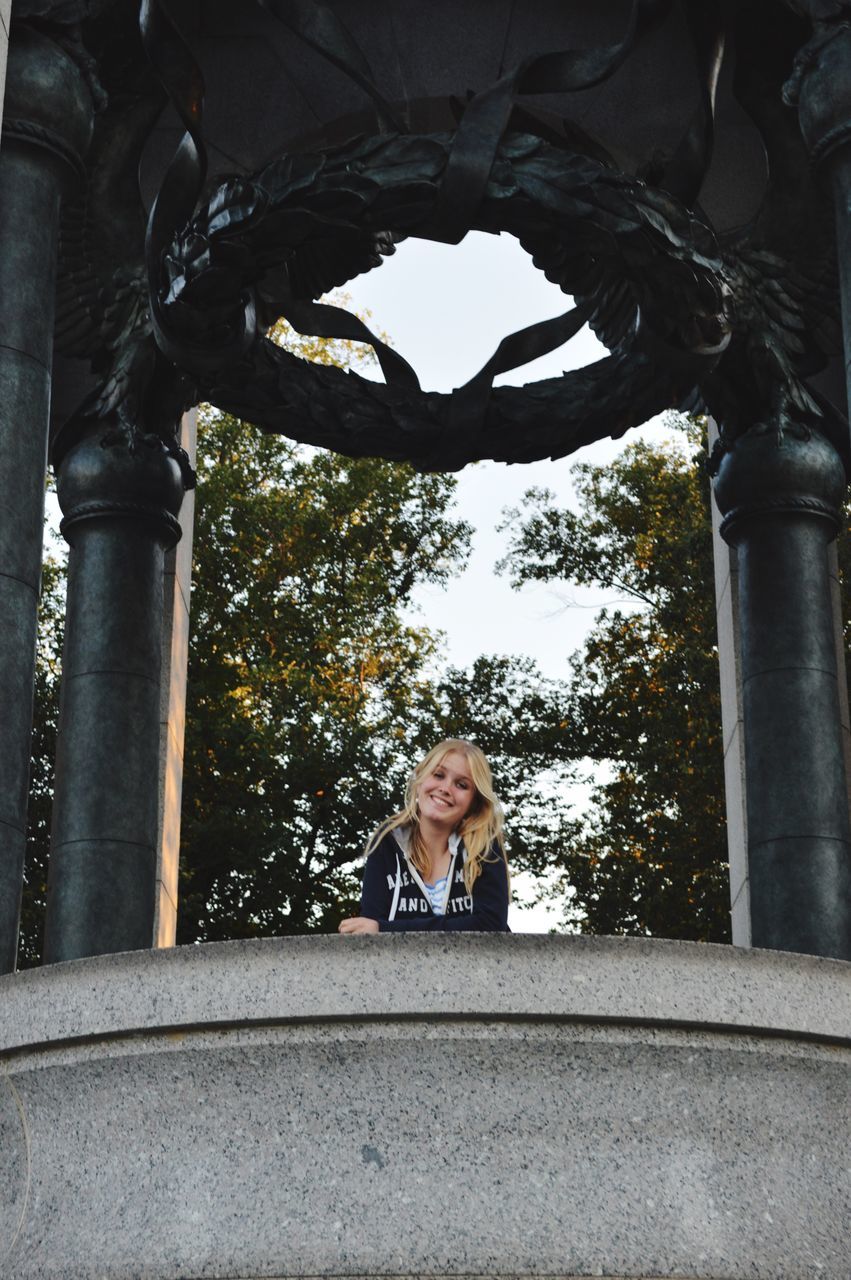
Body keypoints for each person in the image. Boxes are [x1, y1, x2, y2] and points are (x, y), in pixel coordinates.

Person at [338, 739, 510, 934]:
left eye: (461, 785)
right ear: (419, 780)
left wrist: (386, 929)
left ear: (473, 802)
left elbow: (491, 926)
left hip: (477, 965)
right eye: (438, 775)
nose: (445, 788)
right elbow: (369, 929)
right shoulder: (386, 841)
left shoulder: (483, 847)